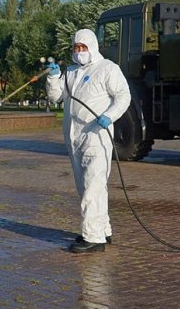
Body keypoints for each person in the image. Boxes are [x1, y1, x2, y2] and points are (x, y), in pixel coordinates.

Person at [43, 29, 131, 253]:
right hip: (74, 136)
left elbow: (123, 95)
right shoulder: (71, 72)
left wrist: (110, 115)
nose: (79, 51)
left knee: (93, 184)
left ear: (92, 46)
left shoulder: (107, 69)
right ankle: (102, 229)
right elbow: (56, 98)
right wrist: (53, 78)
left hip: (96, 136)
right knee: (87, 186)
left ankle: (93, 238)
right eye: (76, 47)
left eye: (83, 47)